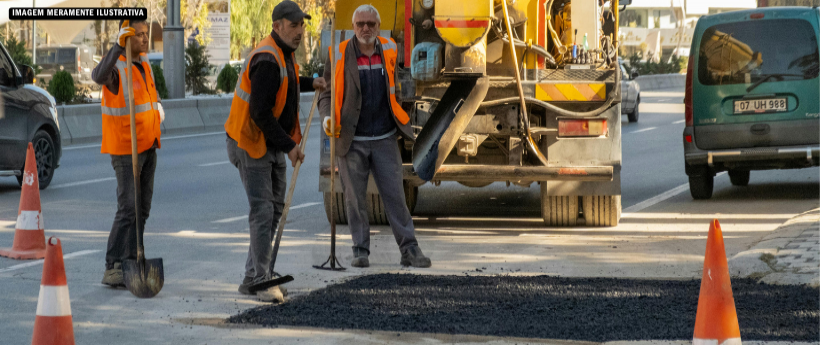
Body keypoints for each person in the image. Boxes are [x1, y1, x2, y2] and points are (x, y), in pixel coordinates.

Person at [224, 0, 326, 302]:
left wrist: (311, 82)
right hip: (250, 142)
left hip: (268, 142)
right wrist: (290, 147)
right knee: (263, 210)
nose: (299, 31)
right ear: (277, 26)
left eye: (302, 26)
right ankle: (261, 278)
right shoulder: (268, 59)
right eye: (293, 25)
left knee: (275, 209)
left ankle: (254, 276)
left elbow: (288, 82)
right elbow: (260, 113)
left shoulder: (283, 54)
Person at [319, 4, 431, 269]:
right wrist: (326, 116)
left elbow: (403, 82)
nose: (365, 28)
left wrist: (404, 106)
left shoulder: (390, 49)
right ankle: (360, 251)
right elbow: (325, 92)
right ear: (353, 27)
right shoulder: (338, 54)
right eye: (360, 24)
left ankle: (410, 249)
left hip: (384, 137)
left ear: (378, 27)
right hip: (351, 138)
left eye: (370, 24)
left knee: (395, 197)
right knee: (354, 200)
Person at [92, 20, 165, 287]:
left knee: (142, 208)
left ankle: (131, 260)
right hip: (126, 149)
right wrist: (115, 47)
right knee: (128, 208)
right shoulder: (116, 68)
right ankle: (113, 265)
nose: (146, 39)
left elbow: (147, 100)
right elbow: (97, 75)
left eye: (147, 34)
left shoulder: (144, 64)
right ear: (127, 38)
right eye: (140, 35)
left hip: (148, 145)